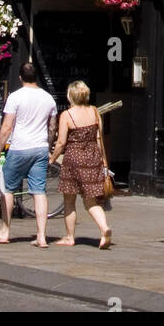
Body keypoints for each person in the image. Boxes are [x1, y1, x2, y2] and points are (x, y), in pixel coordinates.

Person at [0, 62, 57, 248]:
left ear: (20, 77)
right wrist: (47, 147)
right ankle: (41, 236)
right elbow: (52, 127)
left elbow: (7, 126)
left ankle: (5, 231)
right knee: (39, 192)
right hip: (40, 148)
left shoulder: (15, 97)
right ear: (36, 77)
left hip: (19, 148)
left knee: (7, 189)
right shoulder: (48, 98)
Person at [48, 80, 113, 250]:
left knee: (69, 200)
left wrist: (53, 158)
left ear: (70, 96)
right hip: (93, 158)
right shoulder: (94, 112)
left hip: (73, 160)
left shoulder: (67, 115)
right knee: (91, 201)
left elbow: (61, 142)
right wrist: (103, 161)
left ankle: (70, 237)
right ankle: (104, 228)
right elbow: (99, 139)